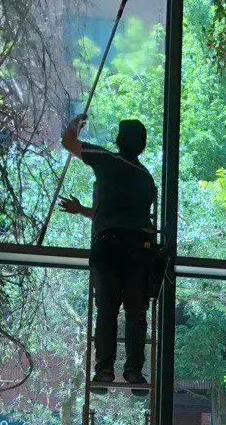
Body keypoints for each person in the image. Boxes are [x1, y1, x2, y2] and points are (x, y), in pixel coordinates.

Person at [59, 114, 157, 392]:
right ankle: (134, 371)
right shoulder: (145, 179)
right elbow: (127, 218)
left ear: (118, 140)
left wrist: (74, 124)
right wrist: (84, 211)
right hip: (139, 248)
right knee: (136, 313)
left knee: (107, 310)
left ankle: (104, 371)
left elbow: (68, 142)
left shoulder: (107, 160)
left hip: (108, 246)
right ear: (142, 146)